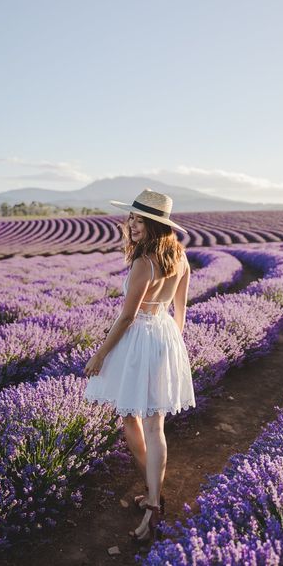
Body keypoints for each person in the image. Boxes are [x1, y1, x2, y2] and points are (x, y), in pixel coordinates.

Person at [83, 188, 196, 543]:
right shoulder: (180, 258)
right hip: (164, 337)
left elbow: (127, 316)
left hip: (139, 339)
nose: (132, 224)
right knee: (151, 422)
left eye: (140, 220)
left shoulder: (143, 263)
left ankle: (152, 499)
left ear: (154, 225)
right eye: (131, 217)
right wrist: (170, 346)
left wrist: (100, 354)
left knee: (135, 417)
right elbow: (180, 313)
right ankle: (152, 493)